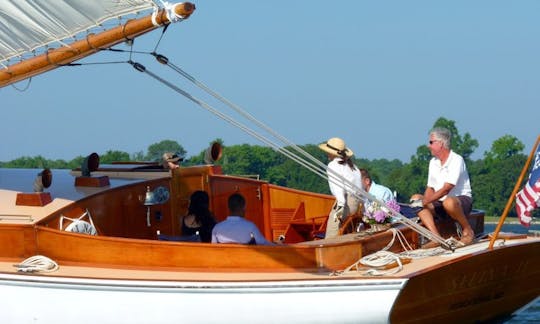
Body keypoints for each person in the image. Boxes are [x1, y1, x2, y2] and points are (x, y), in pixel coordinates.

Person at [413, 127, 475, 246]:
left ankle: (468, 231)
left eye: (431, 142)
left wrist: (426, 201)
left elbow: (446, 189)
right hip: (440, 202)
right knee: (415, 199)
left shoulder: (457, 160)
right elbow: (430, 188)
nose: (428, 145)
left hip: (459, 202)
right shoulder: (433, 162)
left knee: (448, 202)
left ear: (440, 143)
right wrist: (425, 203)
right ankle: (436, 237)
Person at [318, 137, 362, 239]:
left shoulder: (333, 165)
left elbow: (338, 187)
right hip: (356, 204)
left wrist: (341, 205)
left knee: (332, 234)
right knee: (349, 233)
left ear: (332, 153)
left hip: (345, 203)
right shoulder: (354, 167)